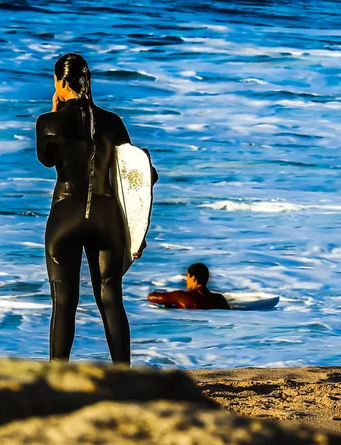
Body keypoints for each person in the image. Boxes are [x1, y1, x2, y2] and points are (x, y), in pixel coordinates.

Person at [36, 53, 157, 365]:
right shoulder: (113, 122)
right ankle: (122, 378)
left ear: (61, 82)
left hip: (65, 217)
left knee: (63, 303)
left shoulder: (48, 124)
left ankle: (57, 378)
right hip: (107, 219)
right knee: (111, 299)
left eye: (55, 80)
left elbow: (47, 159)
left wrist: (55, 111)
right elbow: (139, 176)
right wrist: (137, 230)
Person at [147, 263, 231, 310]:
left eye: (187, 277)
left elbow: (151, 297)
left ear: (193, 278)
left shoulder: (182, 297)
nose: (186, 280)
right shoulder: (220, 299)